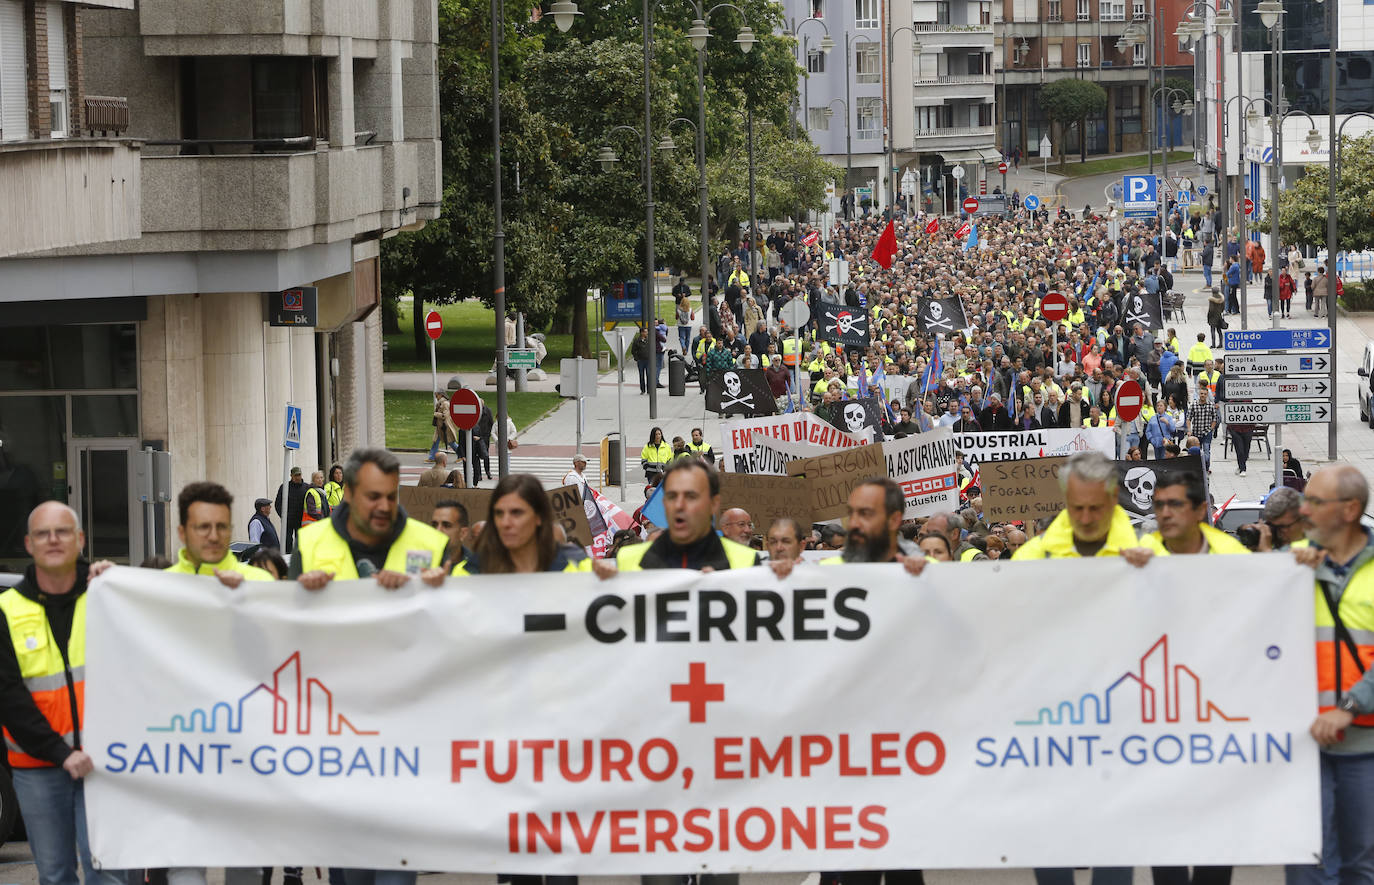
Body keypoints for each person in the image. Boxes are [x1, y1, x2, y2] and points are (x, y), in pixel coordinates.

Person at [0, 502, 129, 885]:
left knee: (109, 875)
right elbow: (8, 697)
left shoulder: (108, 595)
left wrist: (124, 585)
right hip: (38, 768)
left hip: (106, 763)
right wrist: (62, 754)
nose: (52, 539)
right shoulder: (6, 610)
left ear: (80, 540)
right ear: (28, 543)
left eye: (62, 531)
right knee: (55, 876)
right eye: (43, 533)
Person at [1288, 465, 1374, 885]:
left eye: (1315, 502)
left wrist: (1348, 707)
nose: (1304, 509)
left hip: (1365, 747)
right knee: (1308, 864)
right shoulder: (1291, 568)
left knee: (1362, 866)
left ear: (1349, 510)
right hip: (1301, 747)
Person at [292, 448, 449, 591]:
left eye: (391, 496)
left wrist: (436, 593)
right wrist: (306, 595)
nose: (384, 507)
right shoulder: (308, 543)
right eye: (373, 497)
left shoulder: (432, 544)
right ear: (349, 494)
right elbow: (290, 615)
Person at [594, 457, 758, 575]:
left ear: (714, 504)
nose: (679, 505)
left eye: (691, 496)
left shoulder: (748, 562)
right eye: (672, 496)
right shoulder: (628, 560)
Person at [1014, 451, 1139, 560]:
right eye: (1077, 508)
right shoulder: (1029, 557)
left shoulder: (1150, 553)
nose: (1086, 519)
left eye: (1095, 508)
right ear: (1065, 498)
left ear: (1114, 497)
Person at [456, 475, 584, 575]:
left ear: (538, 517)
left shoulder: (578, 567)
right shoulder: (468, 572)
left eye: (516, 513)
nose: (505, 523)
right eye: (499, 513)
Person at [166, 483, 275, 583]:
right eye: (203, 527)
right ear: (182, 533)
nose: (214, 537)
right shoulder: (165, 585)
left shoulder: (260, 581)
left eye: (222, 527)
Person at [1131, 471, 1248, 557]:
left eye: (1176, 504)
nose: (1165, 514)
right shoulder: (1140, 553)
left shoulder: (1232, 554)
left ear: (1201, 510)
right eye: (1159, 505)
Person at [430, 500, 473, 572]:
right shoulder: (421, 561)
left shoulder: (476, 566)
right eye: (434, 525)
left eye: (446, 525)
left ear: (463, 533)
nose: (438, 530)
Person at [274, 466, 307, 553]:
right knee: (287, 543)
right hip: (288, 521)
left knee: (300, 543)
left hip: (301, 521)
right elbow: (278, 504)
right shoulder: (284, 487)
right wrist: (284, 516)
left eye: (299, 475)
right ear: (291, 476)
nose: (298, 477)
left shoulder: (306, 487)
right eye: (295, 475)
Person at [1186, 386, 1219, 471]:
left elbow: (1215, 419)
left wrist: (1211, 429)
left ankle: (1206, 468)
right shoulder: (1194, 405)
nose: (1203, 395)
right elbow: (1188, 418)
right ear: (1198, 394)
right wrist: (1189, 430)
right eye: (1201, 393)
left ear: (1207, 395)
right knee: (1196, 452)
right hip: (1196, 433)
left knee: (1206, 452)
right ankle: (1197, 468)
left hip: (1207, 433)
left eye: (1204, 394)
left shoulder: (1211, 406)